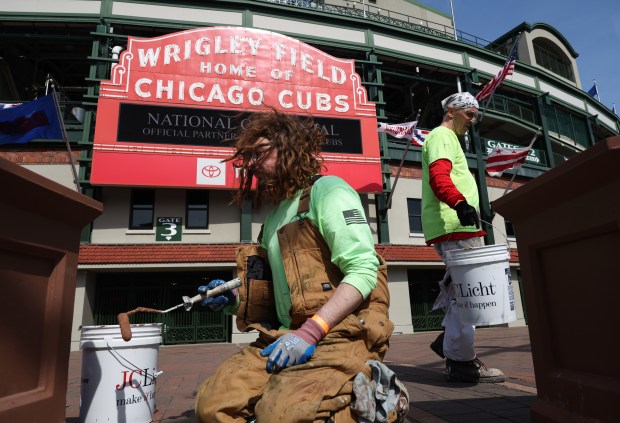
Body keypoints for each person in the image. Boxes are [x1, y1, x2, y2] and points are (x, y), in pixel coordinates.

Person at [194, 110, 407, 422]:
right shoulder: (273, 220)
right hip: (283, 336)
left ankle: (383, 402)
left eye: (259, 153)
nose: (251, 164)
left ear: (289, 147)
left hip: (339, 335)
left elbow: (364, 271)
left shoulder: (328, 191)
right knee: (211, 407)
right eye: (248, 156)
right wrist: (233, 301)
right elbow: (272, 294)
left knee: (278, 416)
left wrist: (310, 332)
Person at [421, 92, 506, 383]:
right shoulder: (442, 137)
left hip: (456, 225)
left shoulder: (445, 138)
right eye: (469, 114)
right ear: (451, 111)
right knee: (468, 294)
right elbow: (439, 177)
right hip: (454, 225)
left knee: (463, 292)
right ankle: (460, 362)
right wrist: (460, 204)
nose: (473, 121)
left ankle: (452, 345)